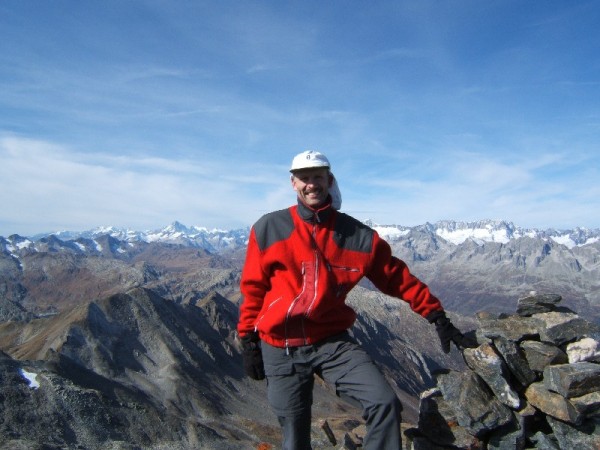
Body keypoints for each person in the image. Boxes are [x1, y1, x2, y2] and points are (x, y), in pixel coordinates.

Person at [237, 150, 474, 450]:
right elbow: (253, 287)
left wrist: (436, 315)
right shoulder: (269, 227)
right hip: (279, 345)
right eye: (304, 178)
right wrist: (248, 339)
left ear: (329, 180)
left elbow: (396, 278)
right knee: (294, 435)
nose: (312, 184)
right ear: (293, 183)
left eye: (318, 177)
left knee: (384, 403)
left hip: (331, 342)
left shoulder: (358, 236)